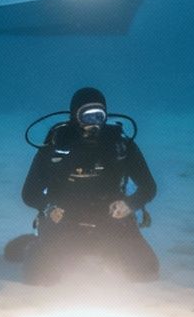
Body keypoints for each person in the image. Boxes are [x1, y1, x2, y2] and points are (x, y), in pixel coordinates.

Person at [8, 87, 160, 284]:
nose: (93, 124)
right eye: (86, 116)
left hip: (112, 221)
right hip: (64, 222)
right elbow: (29, 193)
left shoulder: (121, 145)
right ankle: (34, 245)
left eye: (99, 116)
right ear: (74, 116)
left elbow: (149, 187)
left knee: (146, 273)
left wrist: (130, 204)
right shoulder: (56, 146)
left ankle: (107, 254)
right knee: (39, 278)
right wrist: (48, 207)